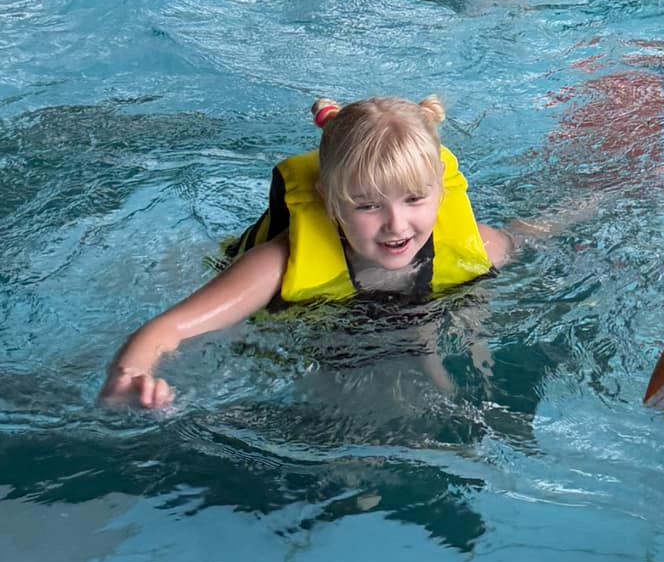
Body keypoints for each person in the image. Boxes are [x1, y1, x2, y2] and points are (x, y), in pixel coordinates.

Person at [100, 96, 518, 407]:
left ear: (440, 188)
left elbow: (525, 236)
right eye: (368, 206)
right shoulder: (275, 265)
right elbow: (169, 329)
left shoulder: (479, 246)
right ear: (329, 198)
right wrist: (131, 373)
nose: (396, 224)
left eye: (413, 199)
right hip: (301, 335)